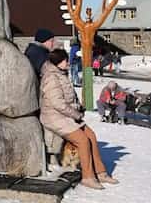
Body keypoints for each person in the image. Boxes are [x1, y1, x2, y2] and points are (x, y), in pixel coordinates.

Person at [39, 48, 117, 190]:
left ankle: (100, 172)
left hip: (66, 115)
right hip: (54, 117)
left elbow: (67, 99)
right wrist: (76, 113)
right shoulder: (51, 77)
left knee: (91, 136)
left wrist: (77, 106)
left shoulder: (60, 74)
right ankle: (88, 177)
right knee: (82, 140)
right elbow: (57, 103)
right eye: (65, 60)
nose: (68, 62)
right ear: (58, 62)